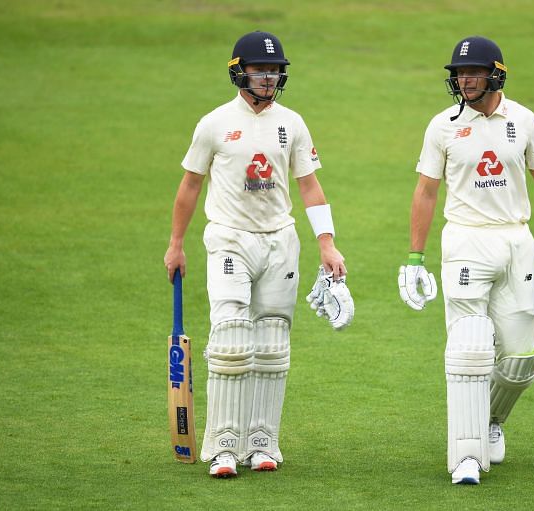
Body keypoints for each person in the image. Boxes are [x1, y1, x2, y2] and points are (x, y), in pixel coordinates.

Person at [398, 36, 534, 484]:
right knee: (469, 348)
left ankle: (489, 420)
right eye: (459, 74)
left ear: (495, 75)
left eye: (473, 73)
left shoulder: (523, 120)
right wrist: (414, 256)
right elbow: (426, 192)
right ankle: (466, 454)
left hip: (517, 241)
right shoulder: (442, 126)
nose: (464, 81)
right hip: (465, 241)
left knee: (519, 358)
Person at [164, 30, 352, 479]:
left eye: (275, 71)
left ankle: (263, 440)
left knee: (271, 343)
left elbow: (309, 185)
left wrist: (326, 242)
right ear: (239, 72)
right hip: (229, 237)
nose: (269, 78)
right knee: (230, 339)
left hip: (279, 241)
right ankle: (225, 445)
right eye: (260, 70)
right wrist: (176, 243)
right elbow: (191, 184)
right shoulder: (213, 124)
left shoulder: (293, 123)